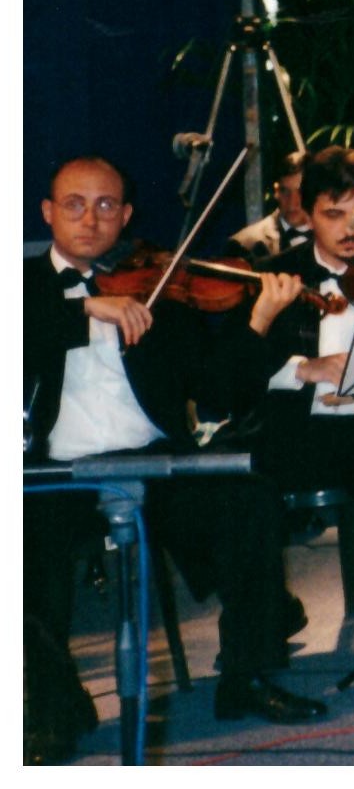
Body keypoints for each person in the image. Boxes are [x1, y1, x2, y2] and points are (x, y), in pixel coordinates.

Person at [23, 157, 325, 764]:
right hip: (57, 473)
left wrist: (259, 319)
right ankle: (54, 704)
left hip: (152, 462)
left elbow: (216, 390)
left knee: (248, 500)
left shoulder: (158, 286)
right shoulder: (23, 286)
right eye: (75, 204)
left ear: (126, 216)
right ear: (48, 212)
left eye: (106, 205)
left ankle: (246, 675)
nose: (90, 218)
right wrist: (85, 310)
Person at [218, 146, 354, 665]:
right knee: (242, 496)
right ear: (307, 214)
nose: (351, 230)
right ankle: (258, 633)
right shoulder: (271, 276)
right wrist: (302, 369)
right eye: (334, 215)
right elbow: (234, 382)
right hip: (297, 430)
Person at [225, 150, 312, 260]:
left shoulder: (330, 236)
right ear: (276, 192)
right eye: (285, 191)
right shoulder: (244, 244)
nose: (292, 202)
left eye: (300, 192)